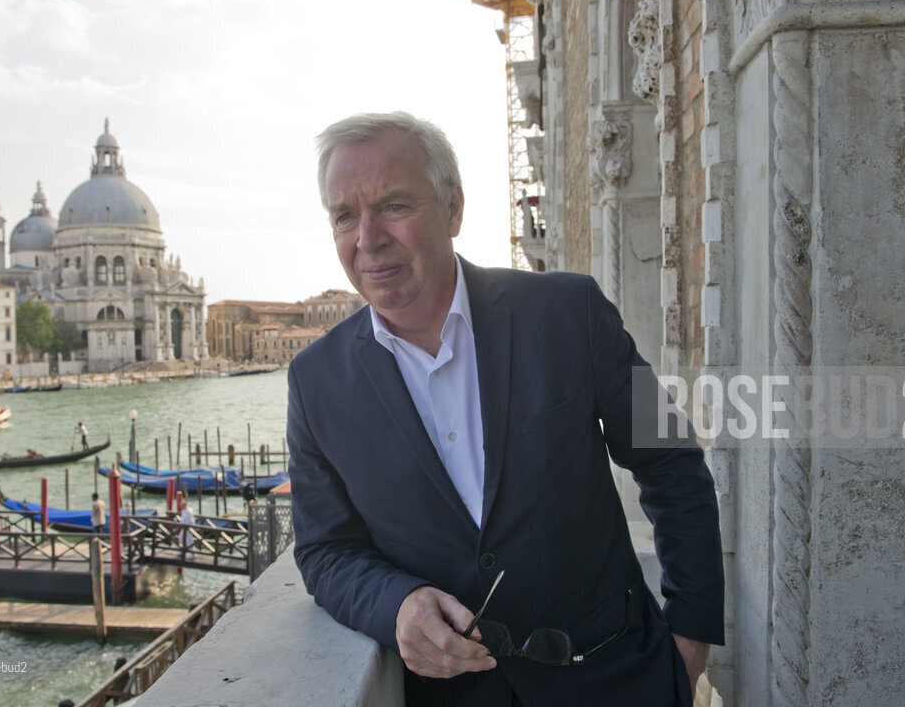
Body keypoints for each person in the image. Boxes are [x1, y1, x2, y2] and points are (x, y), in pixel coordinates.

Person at [287, 112, 724, 706]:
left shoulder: (571, 313)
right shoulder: (315, 383)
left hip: (620, 678)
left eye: (394, 206)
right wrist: (397, 603)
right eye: (345, 215)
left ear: (453, 209)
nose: (367, 239)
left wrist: (691, 636)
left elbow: (669, 460)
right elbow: (324, 550)